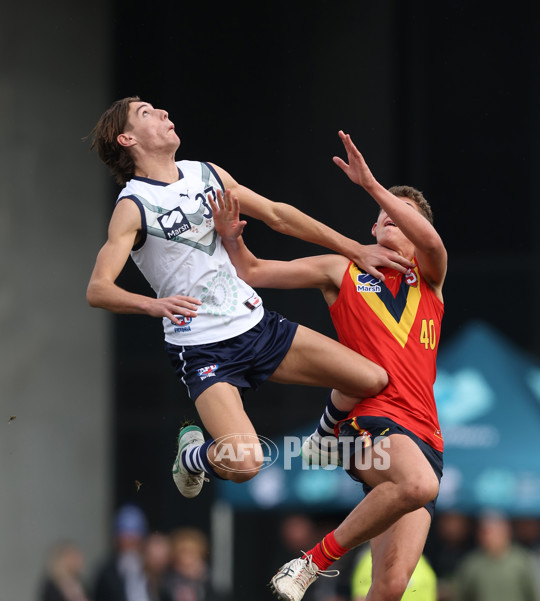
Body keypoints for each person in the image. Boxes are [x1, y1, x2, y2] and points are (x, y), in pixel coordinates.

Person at [210, 131, 447, 601]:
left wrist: (375, 187)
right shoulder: (342, 270)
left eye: (395, 220)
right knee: (419, 486)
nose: (383, 228)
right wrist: (233, 237)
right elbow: (254, 275)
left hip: (421, 438)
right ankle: (312, 562)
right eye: (376, 219)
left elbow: (434, 245)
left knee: (394, 584)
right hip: (371, 428)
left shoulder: (430, 282)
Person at [86, 97, 412, 499]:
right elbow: (98, 289)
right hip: (203, 350)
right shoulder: (133, 205)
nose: (165, 113)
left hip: (257, 328)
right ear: (127, 138)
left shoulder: (206, 174)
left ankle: (324, 438)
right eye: (147, 113)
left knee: (373, 379)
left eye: (159, 108)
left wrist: (354, 248)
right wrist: (152, 305)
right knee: (245, 464)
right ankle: (192, 457)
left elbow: (277, 214)